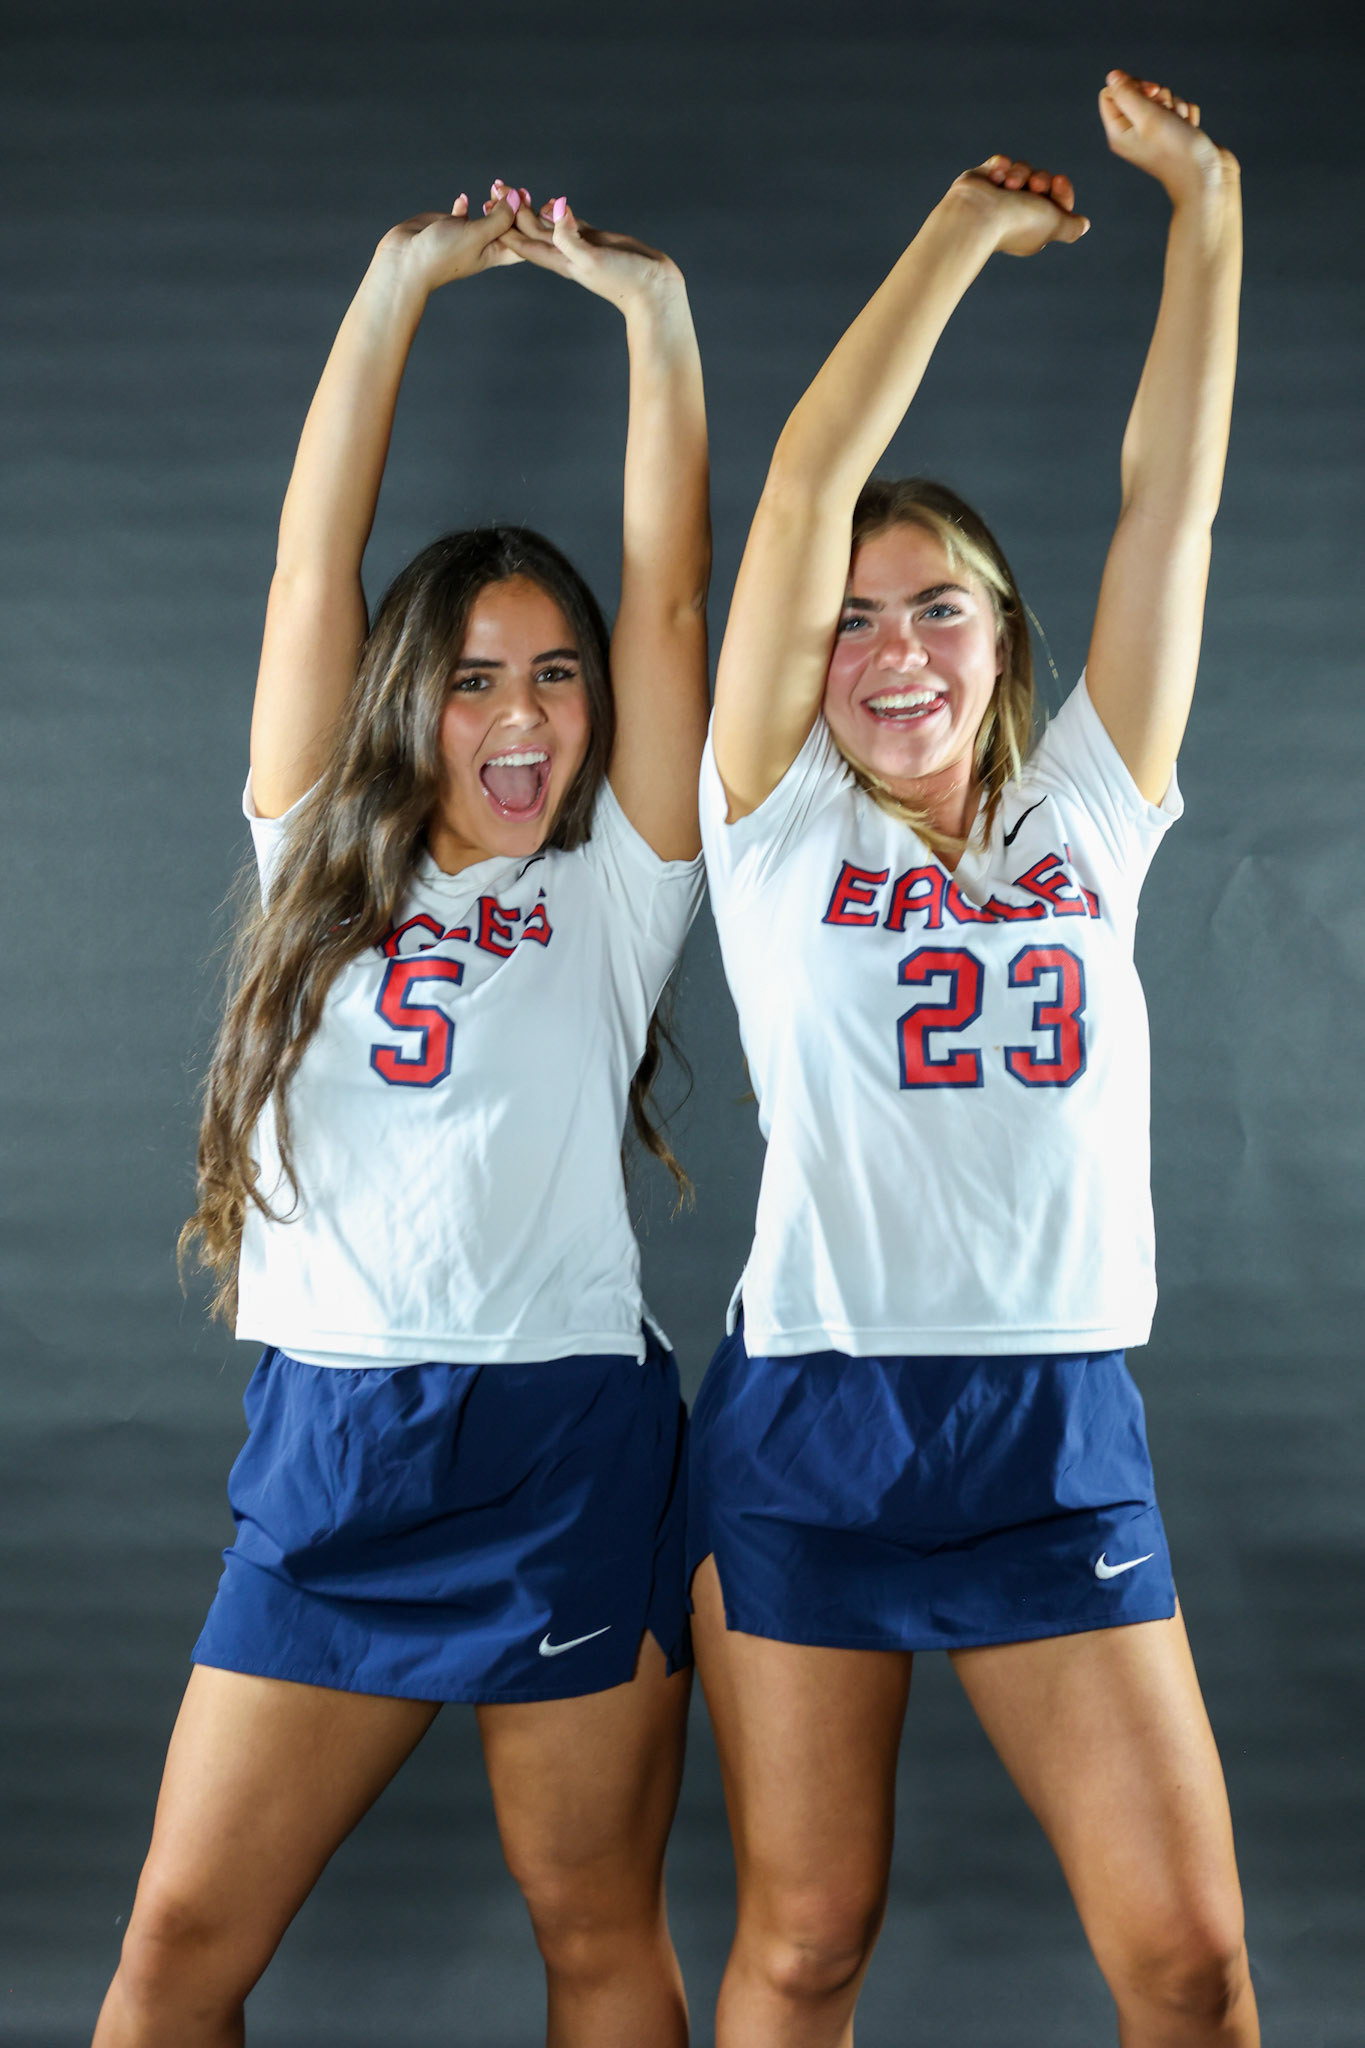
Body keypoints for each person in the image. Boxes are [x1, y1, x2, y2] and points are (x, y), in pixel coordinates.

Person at [94, 179, 710, 2048]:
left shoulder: (621, 885)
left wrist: (651, 312)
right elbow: (310, 561)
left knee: (593, 1928)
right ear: (405, 701)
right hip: (334, 1452)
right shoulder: (310, 861)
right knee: (182, 1946)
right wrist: (394, 286)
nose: (518, 720)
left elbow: (672, 581)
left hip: (560, 1451)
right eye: (469, 682)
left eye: (554, 677)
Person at [692, 73, 1255, 2047]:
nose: (894, 652)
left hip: (1044, 1427)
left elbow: (1165, 499)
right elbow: (789, 488)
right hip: (810, 1429)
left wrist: (1200, 207)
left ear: (1004, 641)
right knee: (805, 1942)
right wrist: (954, 239)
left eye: (936, 608)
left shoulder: (1083, 816)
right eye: (851, 624)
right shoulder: (768, 820)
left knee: (1184, 1964)